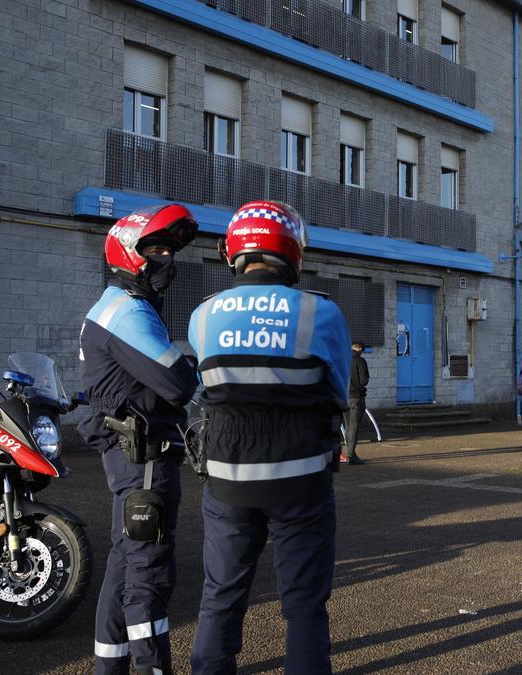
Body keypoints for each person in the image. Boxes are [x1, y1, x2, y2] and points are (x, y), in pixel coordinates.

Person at [187, 201, 350, 673]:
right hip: (301, 479)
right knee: (303, 607)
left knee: (220, 596)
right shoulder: (321, 313)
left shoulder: (204, 315)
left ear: (233, 250)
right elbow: (338, 392)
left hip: (225, 479)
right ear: (293, 252)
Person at [79, 203, 199, 675]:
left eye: (170, 249)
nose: (165, 258)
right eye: (154, 249)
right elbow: (177, 383)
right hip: (144, 458)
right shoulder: (127, 311)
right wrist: (187, 364)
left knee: (125, 565)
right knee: (148, 575)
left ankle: (109, 667)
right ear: (128, 254)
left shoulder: (113, 307)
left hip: (129, 456)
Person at [343, 341, 369, 465]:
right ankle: (351, 456)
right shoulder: (360, 361)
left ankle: (350, 452)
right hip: (356, 397)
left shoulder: (342, 360)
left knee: (348, 427)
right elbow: (364, 381)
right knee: (354, 427)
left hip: (344, 397)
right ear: (360, 349)